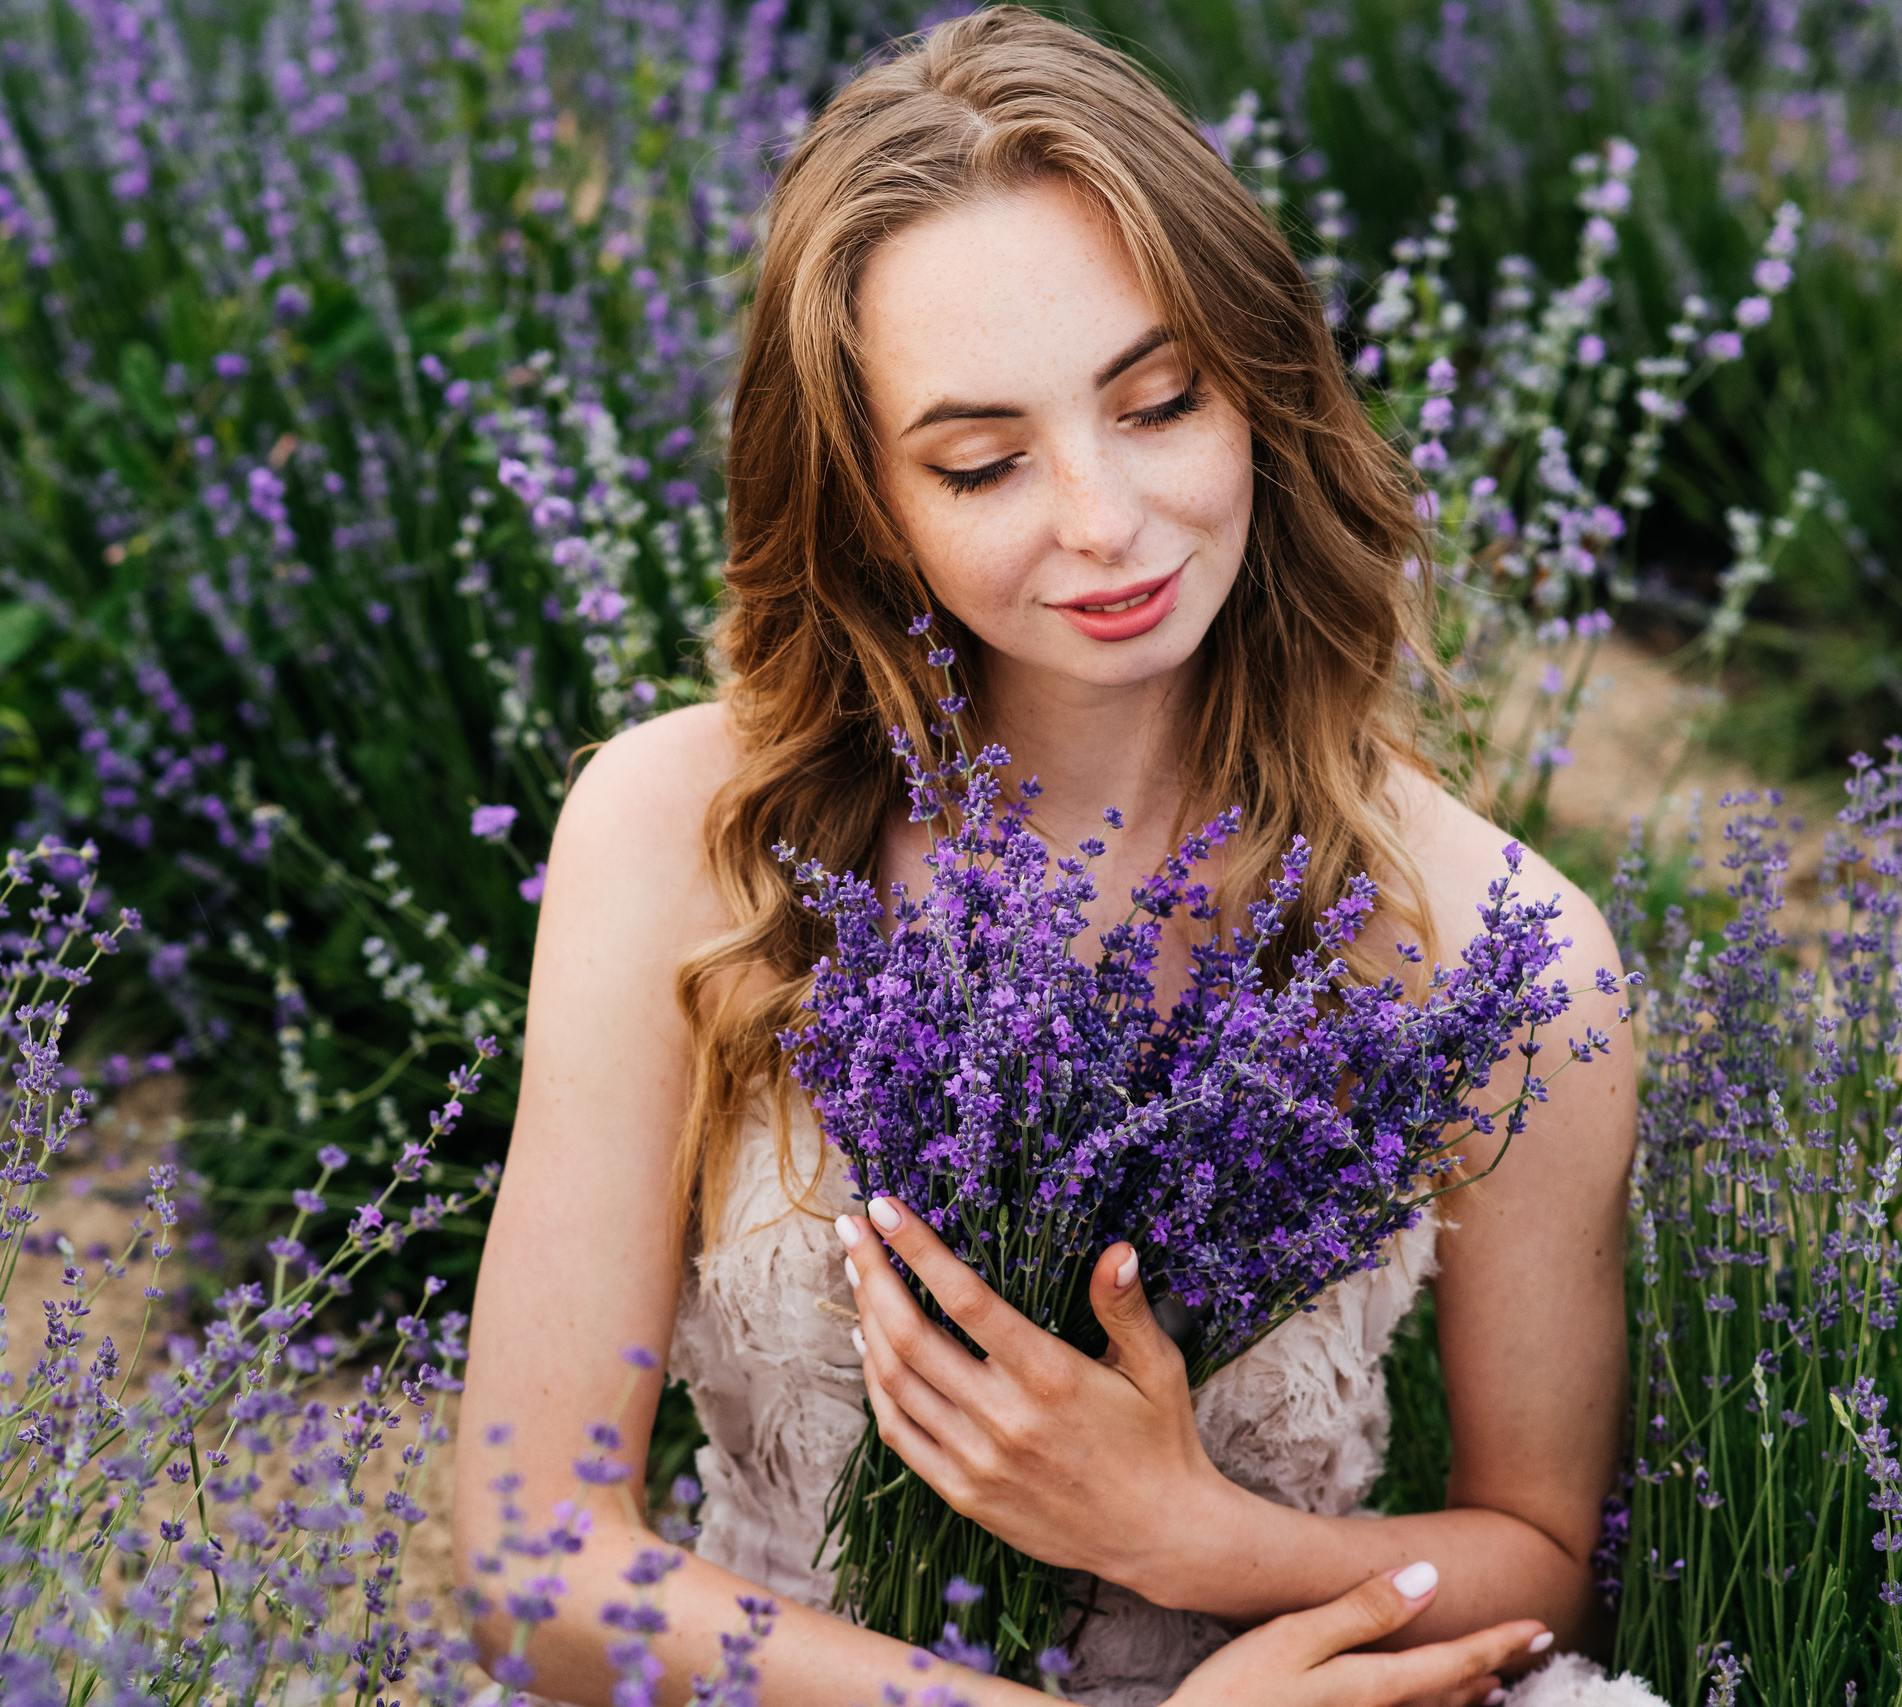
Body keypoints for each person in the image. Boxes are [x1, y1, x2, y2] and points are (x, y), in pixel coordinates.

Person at [454, 10, 1640, 1705]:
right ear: (867, 498)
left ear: (1263, 387)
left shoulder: (1499, 948)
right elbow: (528, 1558)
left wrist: (1188, 1535)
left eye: (1160, 403)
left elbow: (1545, 1574)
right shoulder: (682, 839)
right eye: (984, 460)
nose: (1101, 518)